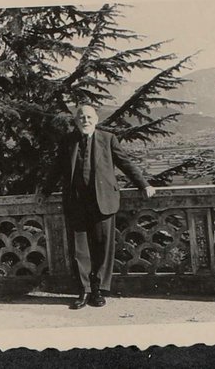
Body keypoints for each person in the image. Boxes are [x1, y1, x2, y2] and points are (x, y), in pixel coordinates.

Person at [38, 105, 156, 309]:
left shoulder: (108, 139)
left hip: (103, 201)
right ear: (76, 121)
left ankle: (98, 290)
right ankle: (84, 290)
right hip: (76, 202)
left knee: (103, 248)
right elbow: (57, 168)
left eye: (89, 117)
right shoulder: (68, 141)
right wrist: (45, 191)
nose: (85, 120)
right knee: (79, 250)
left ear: (96, 119)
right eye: (81, 117)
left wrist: (143, 185)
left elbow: (125, 163)